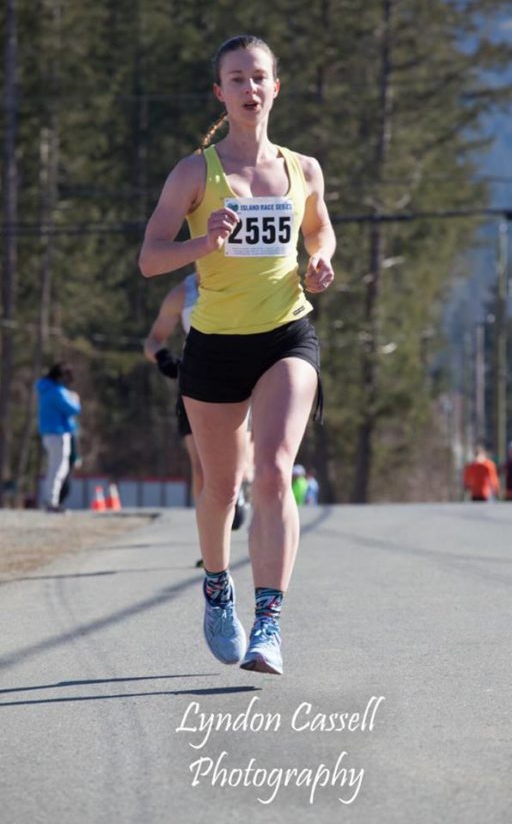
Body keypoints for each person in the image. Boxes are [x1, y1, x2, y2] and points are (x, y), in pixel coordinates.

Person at [139, 35, 335, 675]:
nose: (249, 89)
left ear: (276, 87)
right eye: (236, 79)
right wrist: (204, 244)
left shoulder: (301, 167)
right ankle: (219, 588)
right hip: (216, 345)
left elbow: (318, 225)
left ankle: (270, 622)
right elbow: (150, 260)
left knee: (275, 469)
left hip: (286, 334)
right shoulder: (194, 173)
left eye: (259, 77)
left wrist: (321, 257)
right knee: (220, 488)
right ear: (219, 93)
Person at [144, 271, 249, 530]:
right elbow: (152, 341)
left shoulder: (246, 278)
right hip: (195, 382)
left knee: (238, 463)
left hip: (240, 379)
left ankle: (238, 492)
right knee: (201, 466)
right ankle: (210, 541)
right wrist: (164, 358)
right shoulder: (182, 293)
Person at [35, 363, 81, 512]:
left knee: (54, 467)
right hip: (58, 433)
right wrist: (75, 399)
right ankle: (51, 502)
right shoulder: (57, 392)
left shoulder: (45, 390)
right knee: (58, 468)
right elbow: (73, 409)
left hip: (48, 433)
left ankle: (50, 500)